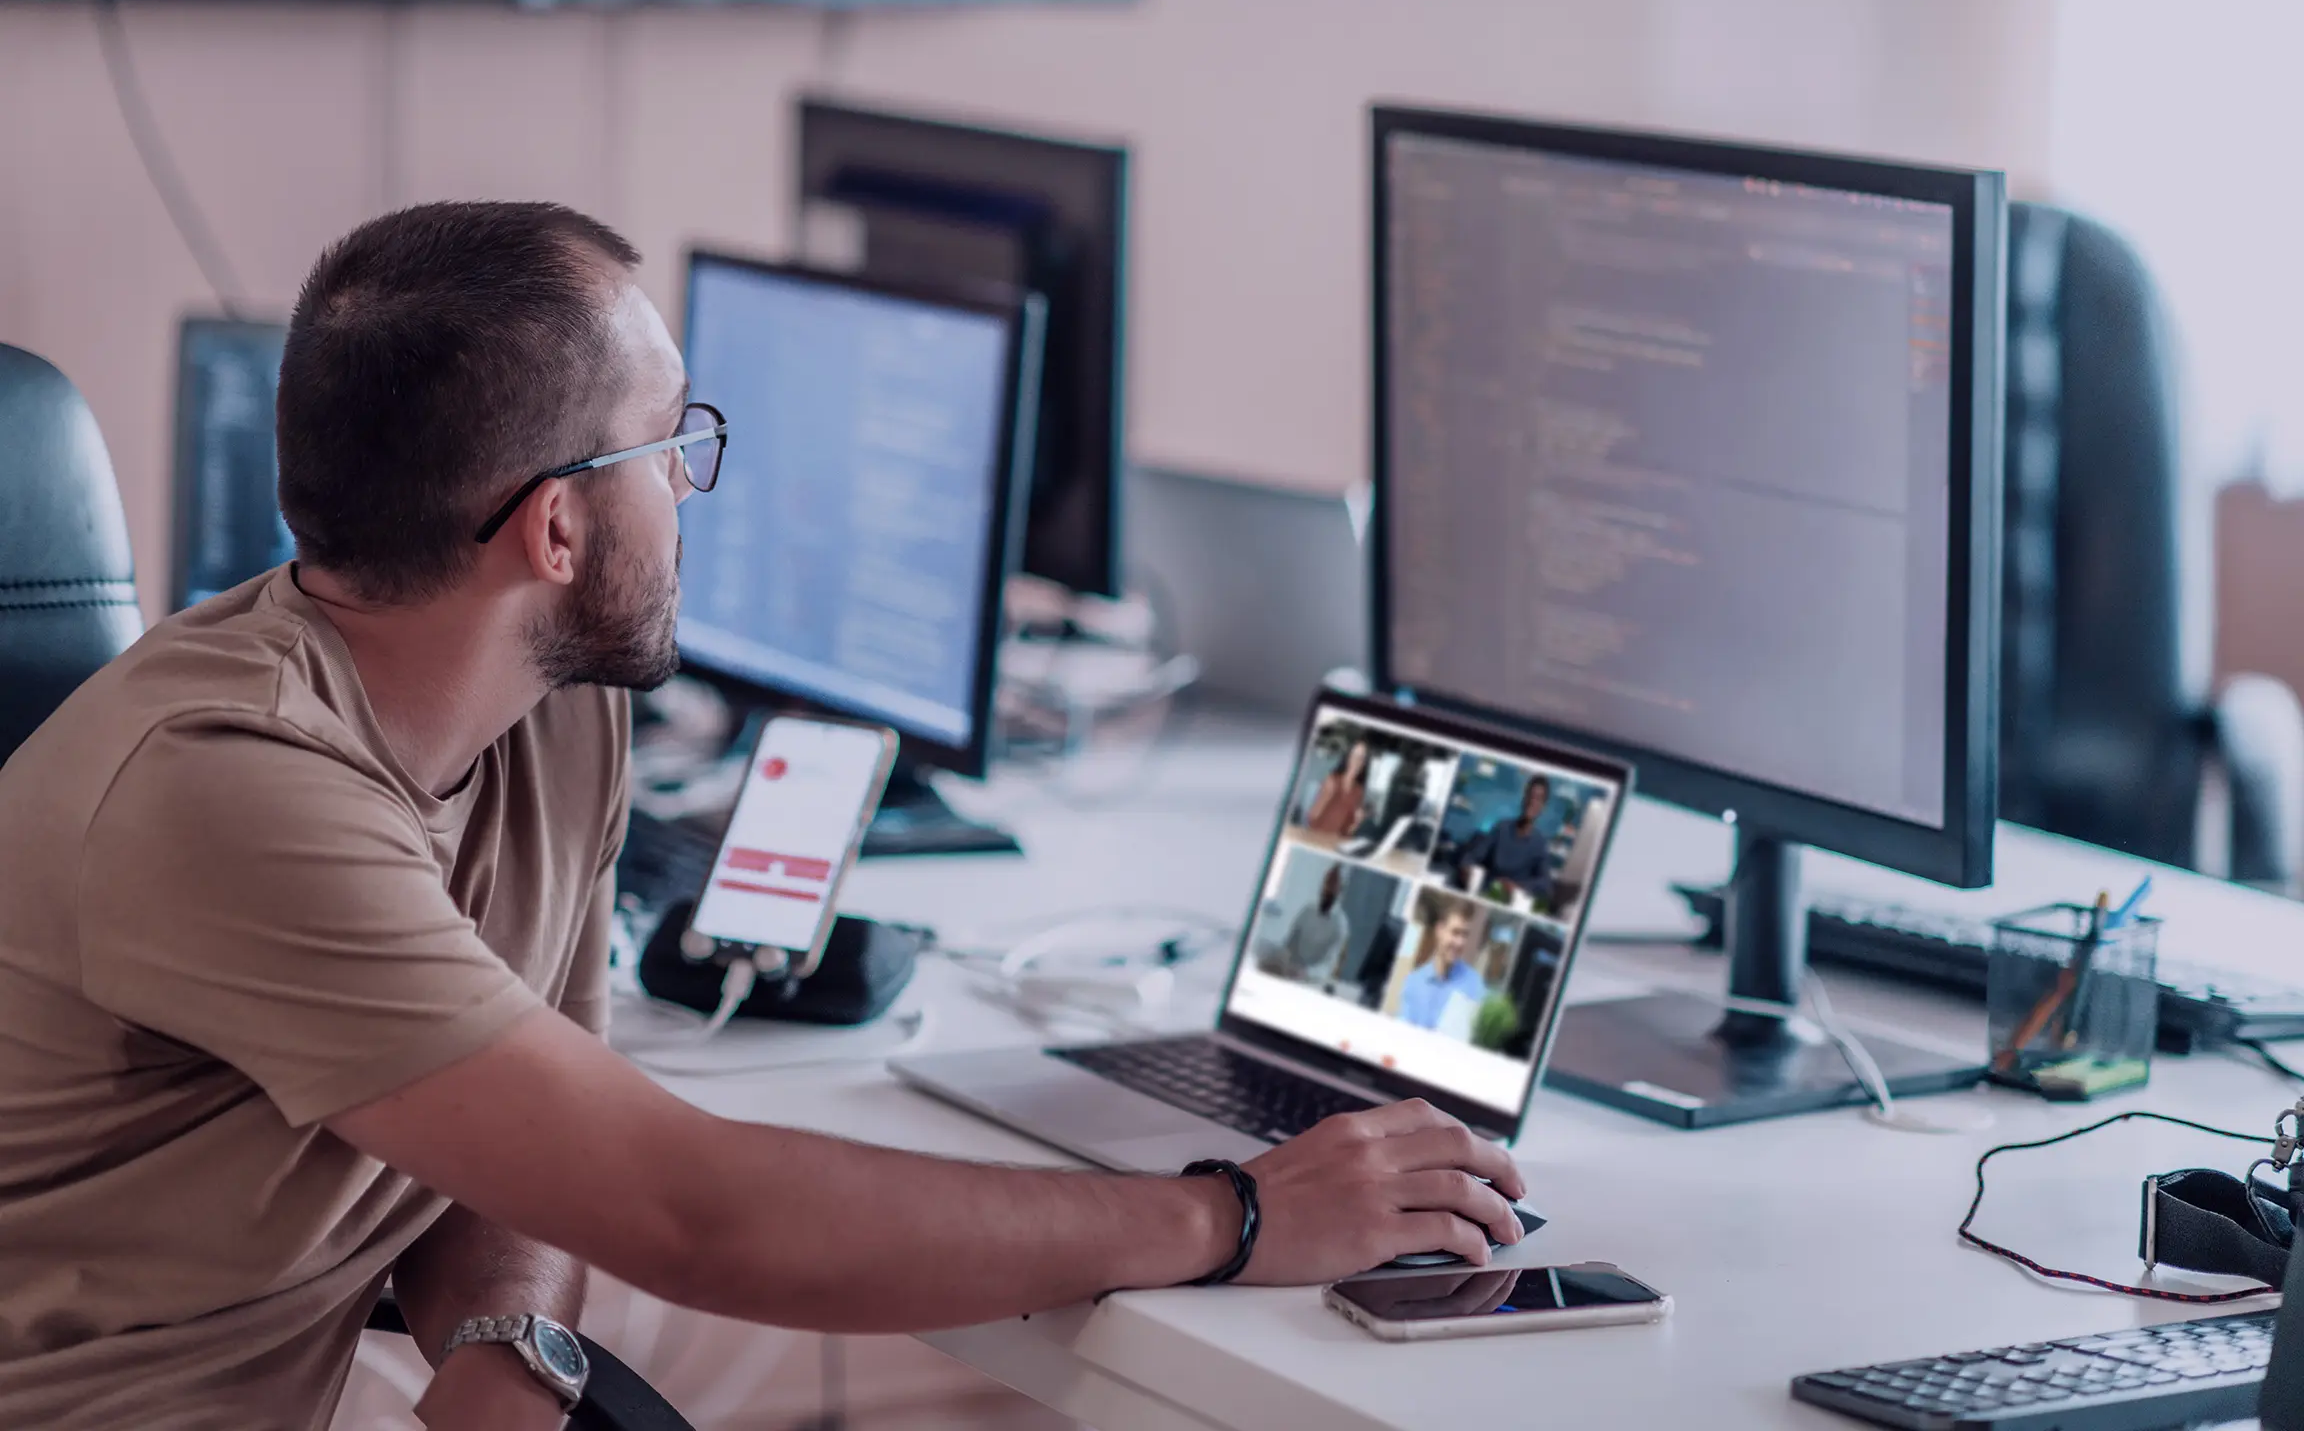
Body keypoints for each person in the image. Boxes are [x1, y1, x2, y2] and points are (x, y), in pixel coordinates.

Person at [0, 203, 1525, 1431]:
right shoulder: (229, 787)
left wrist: (509, 1351)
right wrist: (1235, 1216)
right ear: (557, 525)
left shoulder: (547, 705)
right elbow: (692, 1212)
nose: (694, 482)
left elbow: (533, 1141)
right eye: (676, 441)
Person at [1454, 774, 1566, 906]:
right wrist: (1466, 867)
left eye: (1538, 799)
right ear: (1524, 798)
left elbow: (1546, 886)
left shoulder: (1539, 844)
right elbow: (1474, 855)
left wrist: (1516, 886)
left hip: (1510, 903)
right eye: (1530, 795)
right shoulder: (1502, 828)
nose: (1532, 801)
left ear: (1543, 806)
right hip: (1484, 894)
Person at [1397, 901, 1491, 1031]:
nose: (1460, 942)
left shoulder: (1475, 985)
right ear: (1439, 930)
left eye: (1465, 935)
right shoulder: (1413, 983)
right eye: (1455, 933)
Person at [1263, 864, 1352, 984]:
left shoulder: (1340, 924)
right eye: (1327, 880)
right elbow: (1289, 943)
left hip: (1310, 980)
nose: (1328, 886)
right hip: (1288, 970)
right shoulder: (1308, 910)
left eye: (1333, 882)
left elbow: (1328, 967)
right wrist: (1282, 958)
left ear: (1341, 888)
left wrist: (1306, 972)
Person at [1302, 737, 1369, 837]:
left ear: (1364, 763)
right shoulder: (1332, 780)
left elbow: (1347, 832)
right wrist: (1326, 797)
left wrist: (1357, 822)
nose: (1356, 761)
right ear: (1347, 757)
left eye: (1361, 758)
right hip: (1317, 838)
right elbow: (1311, 818)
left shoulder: (1358, 791)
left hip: (1336, 845)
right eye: (1354, 756)